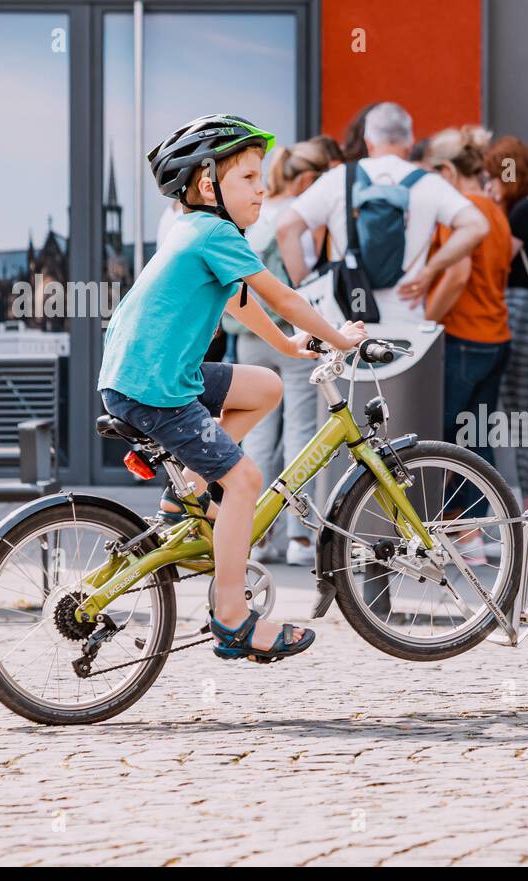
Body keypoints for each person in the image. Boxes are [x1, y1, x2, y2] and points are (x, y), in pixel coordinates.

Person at [97, 114, 367, 662]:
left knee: (265, 386)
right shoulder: (214, 232)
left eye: (261, 175)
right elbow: (286, 299)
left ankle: (189, 489)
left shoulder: (196, 231)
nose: (261, 187)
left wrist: (290, 347)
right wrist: (338, 337)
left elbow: (240, 299)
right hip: (156, 388)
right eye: (247, 176)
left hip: (150, 377)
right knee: (244, 480)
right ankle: (233, 620)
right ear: (206, 184)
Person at [223, 138, 337, 566]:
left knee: (256, 436)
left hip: (251, 333)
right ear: (309, 179)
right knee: (300, 434)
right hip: (294, 336)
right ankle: (300, 537)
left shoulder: (254, 216)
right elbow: (302, 287)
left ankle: (256, 533)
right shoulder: (298, 221)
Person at [276, 102, 490, 323]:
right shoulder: (429, 183)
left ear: (368, 142)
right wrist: (430, 270)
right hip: (405, 320)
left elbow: (286, 229)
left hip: (345, 320)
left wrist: (307, 290)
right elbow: (477, 226)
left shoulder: (339, 178)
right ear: (410, 142)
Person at [420, 127, 514, 558]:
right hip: (495, 336)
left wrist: (424, 322)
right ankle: (480, 534)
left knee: (438, 442)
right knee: (475, 438)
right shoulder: (494, 210)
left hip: (460, 337)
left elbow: (456, 275)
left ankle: (448, 534)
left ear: (446, 171)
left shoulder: (459, 213)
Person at [484, 135, 528, 521]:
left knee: (525, 418)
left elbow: (499, 264)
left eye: (495, 176)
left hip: (522, 316)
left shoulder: (524, 211)